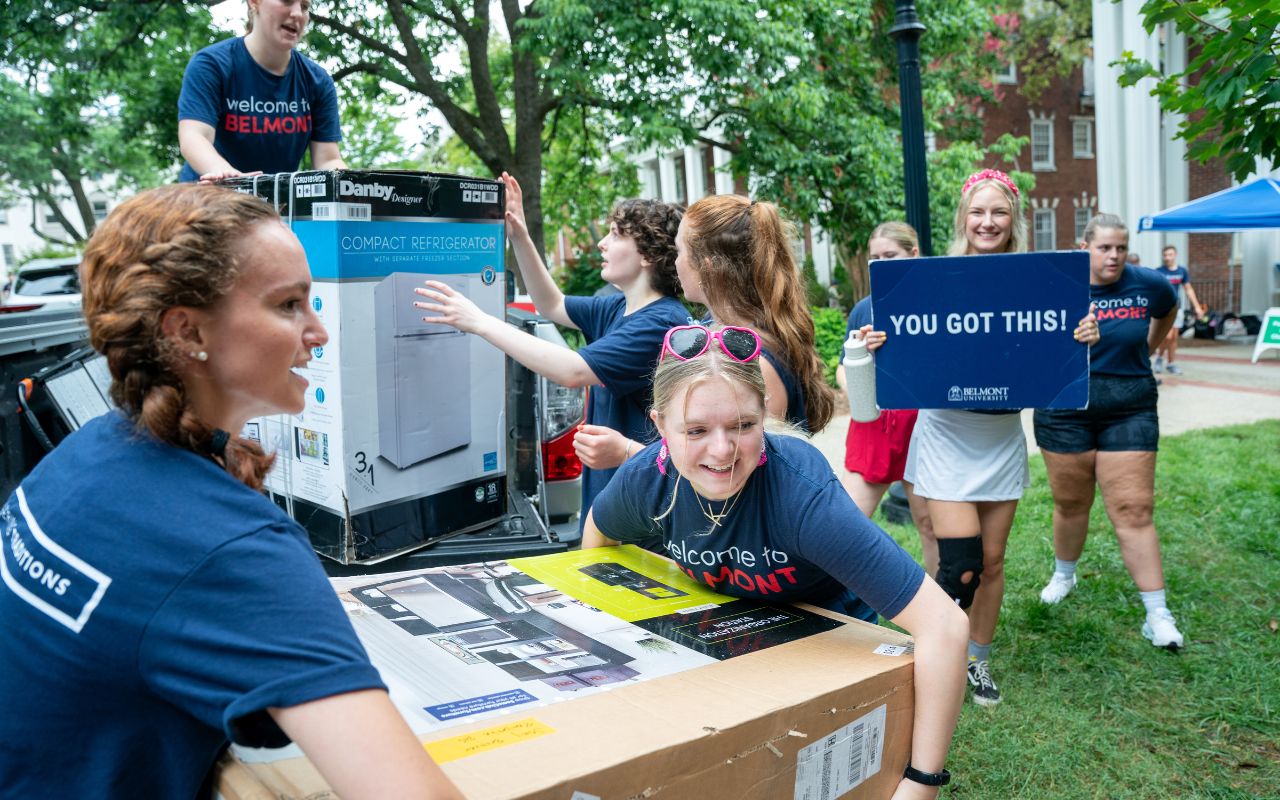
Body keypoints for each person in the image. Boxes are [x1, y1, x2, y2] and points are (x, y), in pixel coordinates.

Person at [0, 185, 461, 799]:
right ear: (187, 329)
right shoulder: (232, 546)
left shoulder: (85, 457)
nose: (317, 332)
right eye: (289, 304)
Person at [582, 326, 969, 800]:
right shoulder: (647, 479)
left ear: (764, 414)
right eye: (697, 430)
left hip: (833, 645)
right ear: (661, 426)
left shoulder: (802, 499)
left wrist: (921, 782)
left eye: (743, 426)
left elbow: (945, 626)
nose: (722, 451)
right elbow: (598, 534)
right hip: (731, 637)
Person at [902, 168, 1099, 706]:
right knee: (960, 561)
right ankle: (931, 654)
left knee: (992, 562)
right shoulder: (933, 279)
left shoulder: (1041, 282)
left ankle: (977, 662)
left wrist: (1081, 335)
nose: (988, 222)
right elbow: (909, 345)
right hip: (947, 432)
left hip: (1002, 437)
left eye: (999, 212)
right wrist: (881, 342)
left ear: (1014, 220)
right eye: (978, 211)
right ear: (963, 218)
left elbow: (1054, 356)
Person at [415, 172, 688, 528]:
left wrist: (477, 321)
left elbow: (572, 371)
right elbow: (551, 305)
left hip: (642, 505)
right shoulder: (617, 308)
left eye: (616, 235)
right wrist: (520, 236)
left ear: (648, 255)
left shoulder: (661, 322)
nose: (602, 244)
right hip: (613, 496)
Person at [1033, 214, 1184, 649]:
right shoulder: (1058, 284)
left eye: (1120, 247)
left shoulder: (1149, 284)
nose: (1114, 256)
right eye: (1104, 248)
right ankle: (1064, 576)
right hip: (1064, 407)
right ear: (1085, 247)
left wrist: (1146, 349)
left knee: (1134, 509)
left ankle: (1157, 613)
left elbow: (1167, 310)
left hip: (1129, 406)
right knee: (1070, 502)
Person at [675, 194, 836, 434]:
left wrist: (626, 451)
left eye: (679, 251)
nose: (675, 262)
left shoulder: (756, 362)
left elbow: (742, 467)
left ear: (707, 266)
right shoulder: (716, 330)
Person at [837, 222, 935, 569]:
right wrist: (856, 383)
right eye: (875, 258)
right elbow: (842, 365)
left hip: (921, 423)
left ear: (913, 253)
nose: (881, 264)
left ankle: (939, 604)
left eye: (890, 256)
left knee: (928, 524)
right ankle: (845, 606)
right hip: (873, 423)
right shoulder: (864, 308)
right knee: (847, 524)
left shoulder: (935, 301)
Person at [178, 0, 346, 183]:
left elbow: (327, 159)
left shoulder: (318, 81)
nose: (298, 13)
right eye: (287, 1)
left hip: (275, 205)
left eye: (304, 7)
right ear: (254, 2)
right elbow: (194, 137)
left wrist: (356, 185)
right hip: (210, 199)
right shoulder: (211, 65)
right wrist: (231, 178)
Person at [1151, 244, 1204, 375]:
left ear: (1175, 255)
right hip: (1163, 308)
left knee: (1174, 338)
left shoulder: (1182, 271)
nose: (1167, 258)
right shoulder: (1159, 271)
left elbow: (1188, 289)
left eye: (1170, 255)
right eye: (1165, 255)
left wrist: (1197, 307)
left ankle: (1170, 363)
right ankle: (1159, 358)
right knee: (1167, 336)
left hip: (1177, 308)